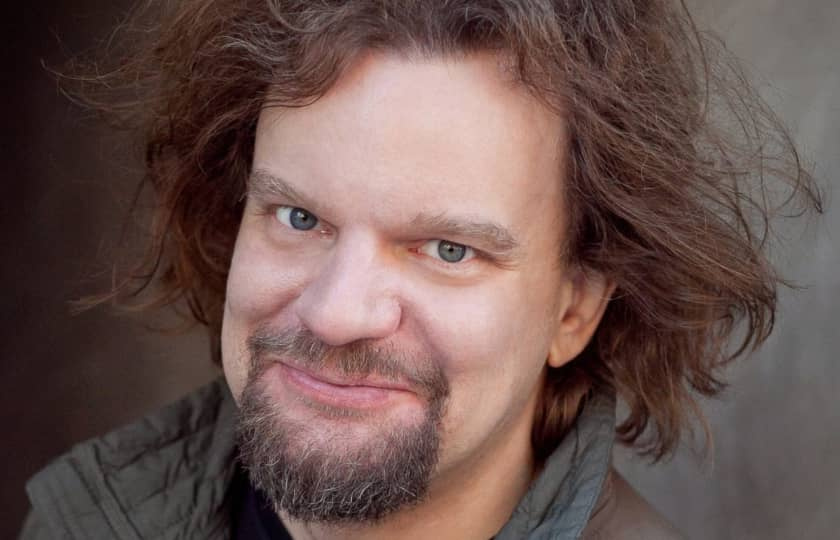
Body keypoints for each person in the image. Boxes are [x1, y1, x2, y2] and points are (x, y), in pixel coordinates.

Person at [20, 1, 821, 539]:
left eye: (448, 250)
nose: (337, 313)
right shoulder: (86, 520)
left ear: (573, 310)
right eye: (298, 218)